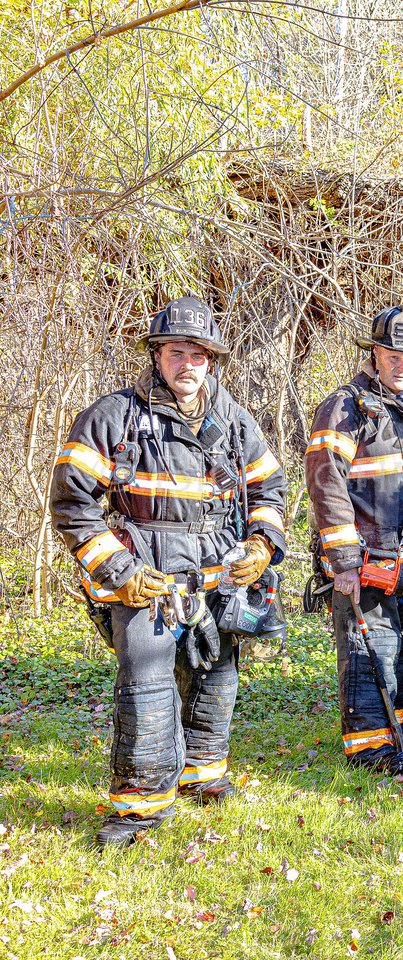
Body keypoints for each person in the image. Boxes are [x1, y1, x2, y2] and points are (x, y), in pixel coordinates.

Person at [51, 296, 287, 848]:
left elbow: (270, 490)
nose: (188, 364)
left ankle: (203, 775)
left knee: (217, 676)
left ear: (213, 361)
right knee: (148, 685)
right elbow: (71, 503)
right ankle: (139, 810)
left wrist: (261, 542)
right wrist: (118, 569)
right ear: (157, 355)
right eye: (177, 352)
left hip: (217, 580)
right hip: (146, 585)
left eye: (199, 355)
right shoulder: (112, 417)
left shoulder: (233, 420)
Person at [305, 306, 403, 776]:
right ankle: (370, 747)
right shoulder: (346, 407)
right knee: (367, 648)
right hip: (365, 558)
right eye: (393, 355)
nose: (402, 365)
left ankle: (393, 718)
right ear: (374, 353)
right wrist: (345, 559)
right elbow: (325, 483)